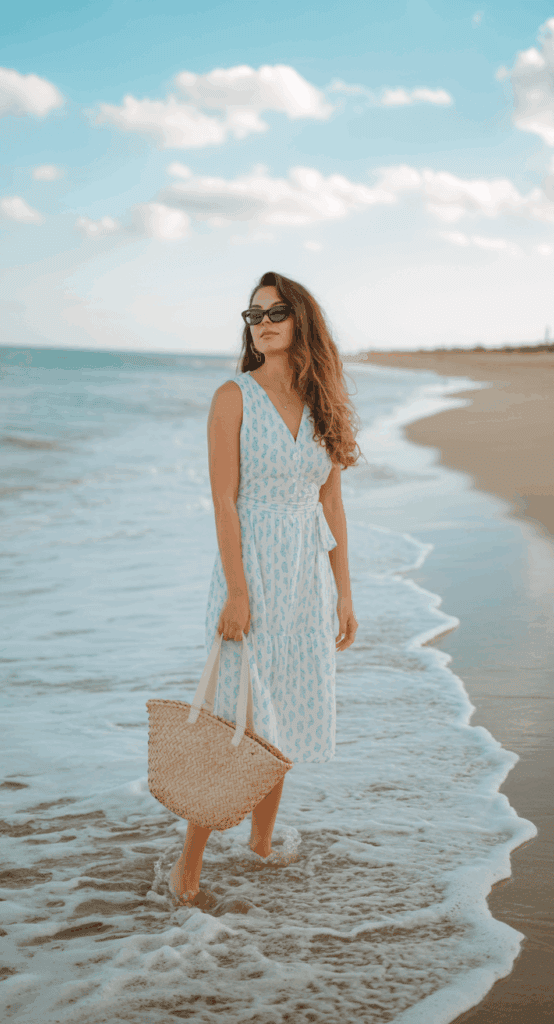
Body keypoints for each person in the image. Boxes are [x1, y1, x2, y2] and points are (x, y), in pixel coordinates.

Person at [169, 271, 361, 908]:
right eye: (254, 315)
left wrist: (345, 594)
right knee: (235, 730)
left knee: (286, 727)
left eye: (276, 311)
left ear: (301, 319)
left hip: (306, 581)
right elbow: (224, 502)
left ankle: (259, 842)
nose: (264, 322)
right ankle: (187, 870)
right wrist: (237, 592)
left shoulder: (322, 402)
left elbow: (330, 500)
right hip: (249, 577)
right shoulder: (234, 397)